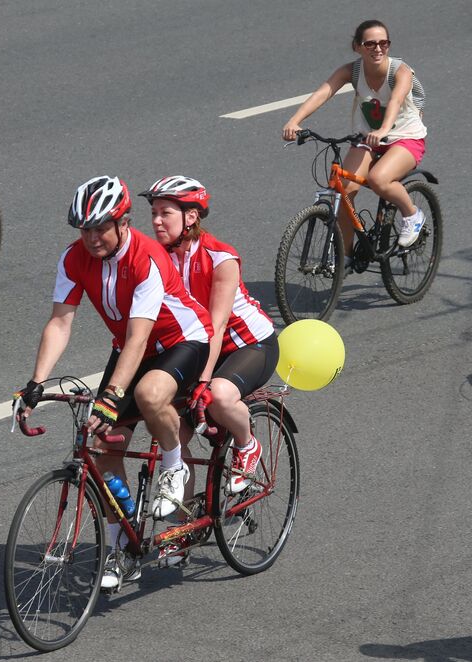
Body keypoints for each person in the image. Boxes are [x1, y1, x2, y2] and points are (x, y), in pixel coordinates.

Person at [14, 175, 213, 589]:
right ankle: (124, 547)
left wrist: (111, 396)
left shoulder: (147, 258)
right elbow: (60, 322)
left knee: (148, 392)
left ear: (124, 222)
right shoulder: (73, 258)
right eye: (83, 229)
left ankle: (174, 466)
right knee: (102, 446)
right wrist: (36, 383)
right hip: (131, 348)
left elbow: (140, 338)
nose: (90, 237)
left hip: (182, 340)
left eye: (99, 227)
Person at [140, 176, 278, 495]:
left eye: (166, 213)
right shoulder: (155, 258)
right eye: (154, 213)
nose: (157, 221)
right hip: (199, 350)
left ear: (191, 217)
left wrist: (202, 382)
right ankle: (181, 528)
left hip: (248, 345)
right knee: (170, 435)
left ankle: (247, 445)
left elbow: (214, 328)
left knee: (217, 395)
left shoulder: (220, 258)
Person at [282, 19, 427, 271]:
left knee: (379, 179)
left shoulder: (400, 71)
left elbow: (395, 100)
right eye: (370, 43)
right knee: (343, 191)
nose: (378, 48)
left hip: (405, 137)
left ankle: (412, 214)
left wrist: (383, 129)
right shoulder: (352, 71)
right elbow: (323, 93)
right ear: (357, 47)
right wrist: (294, 121)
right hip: (368, 138)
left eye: (384, 43)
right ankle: (345, 257)